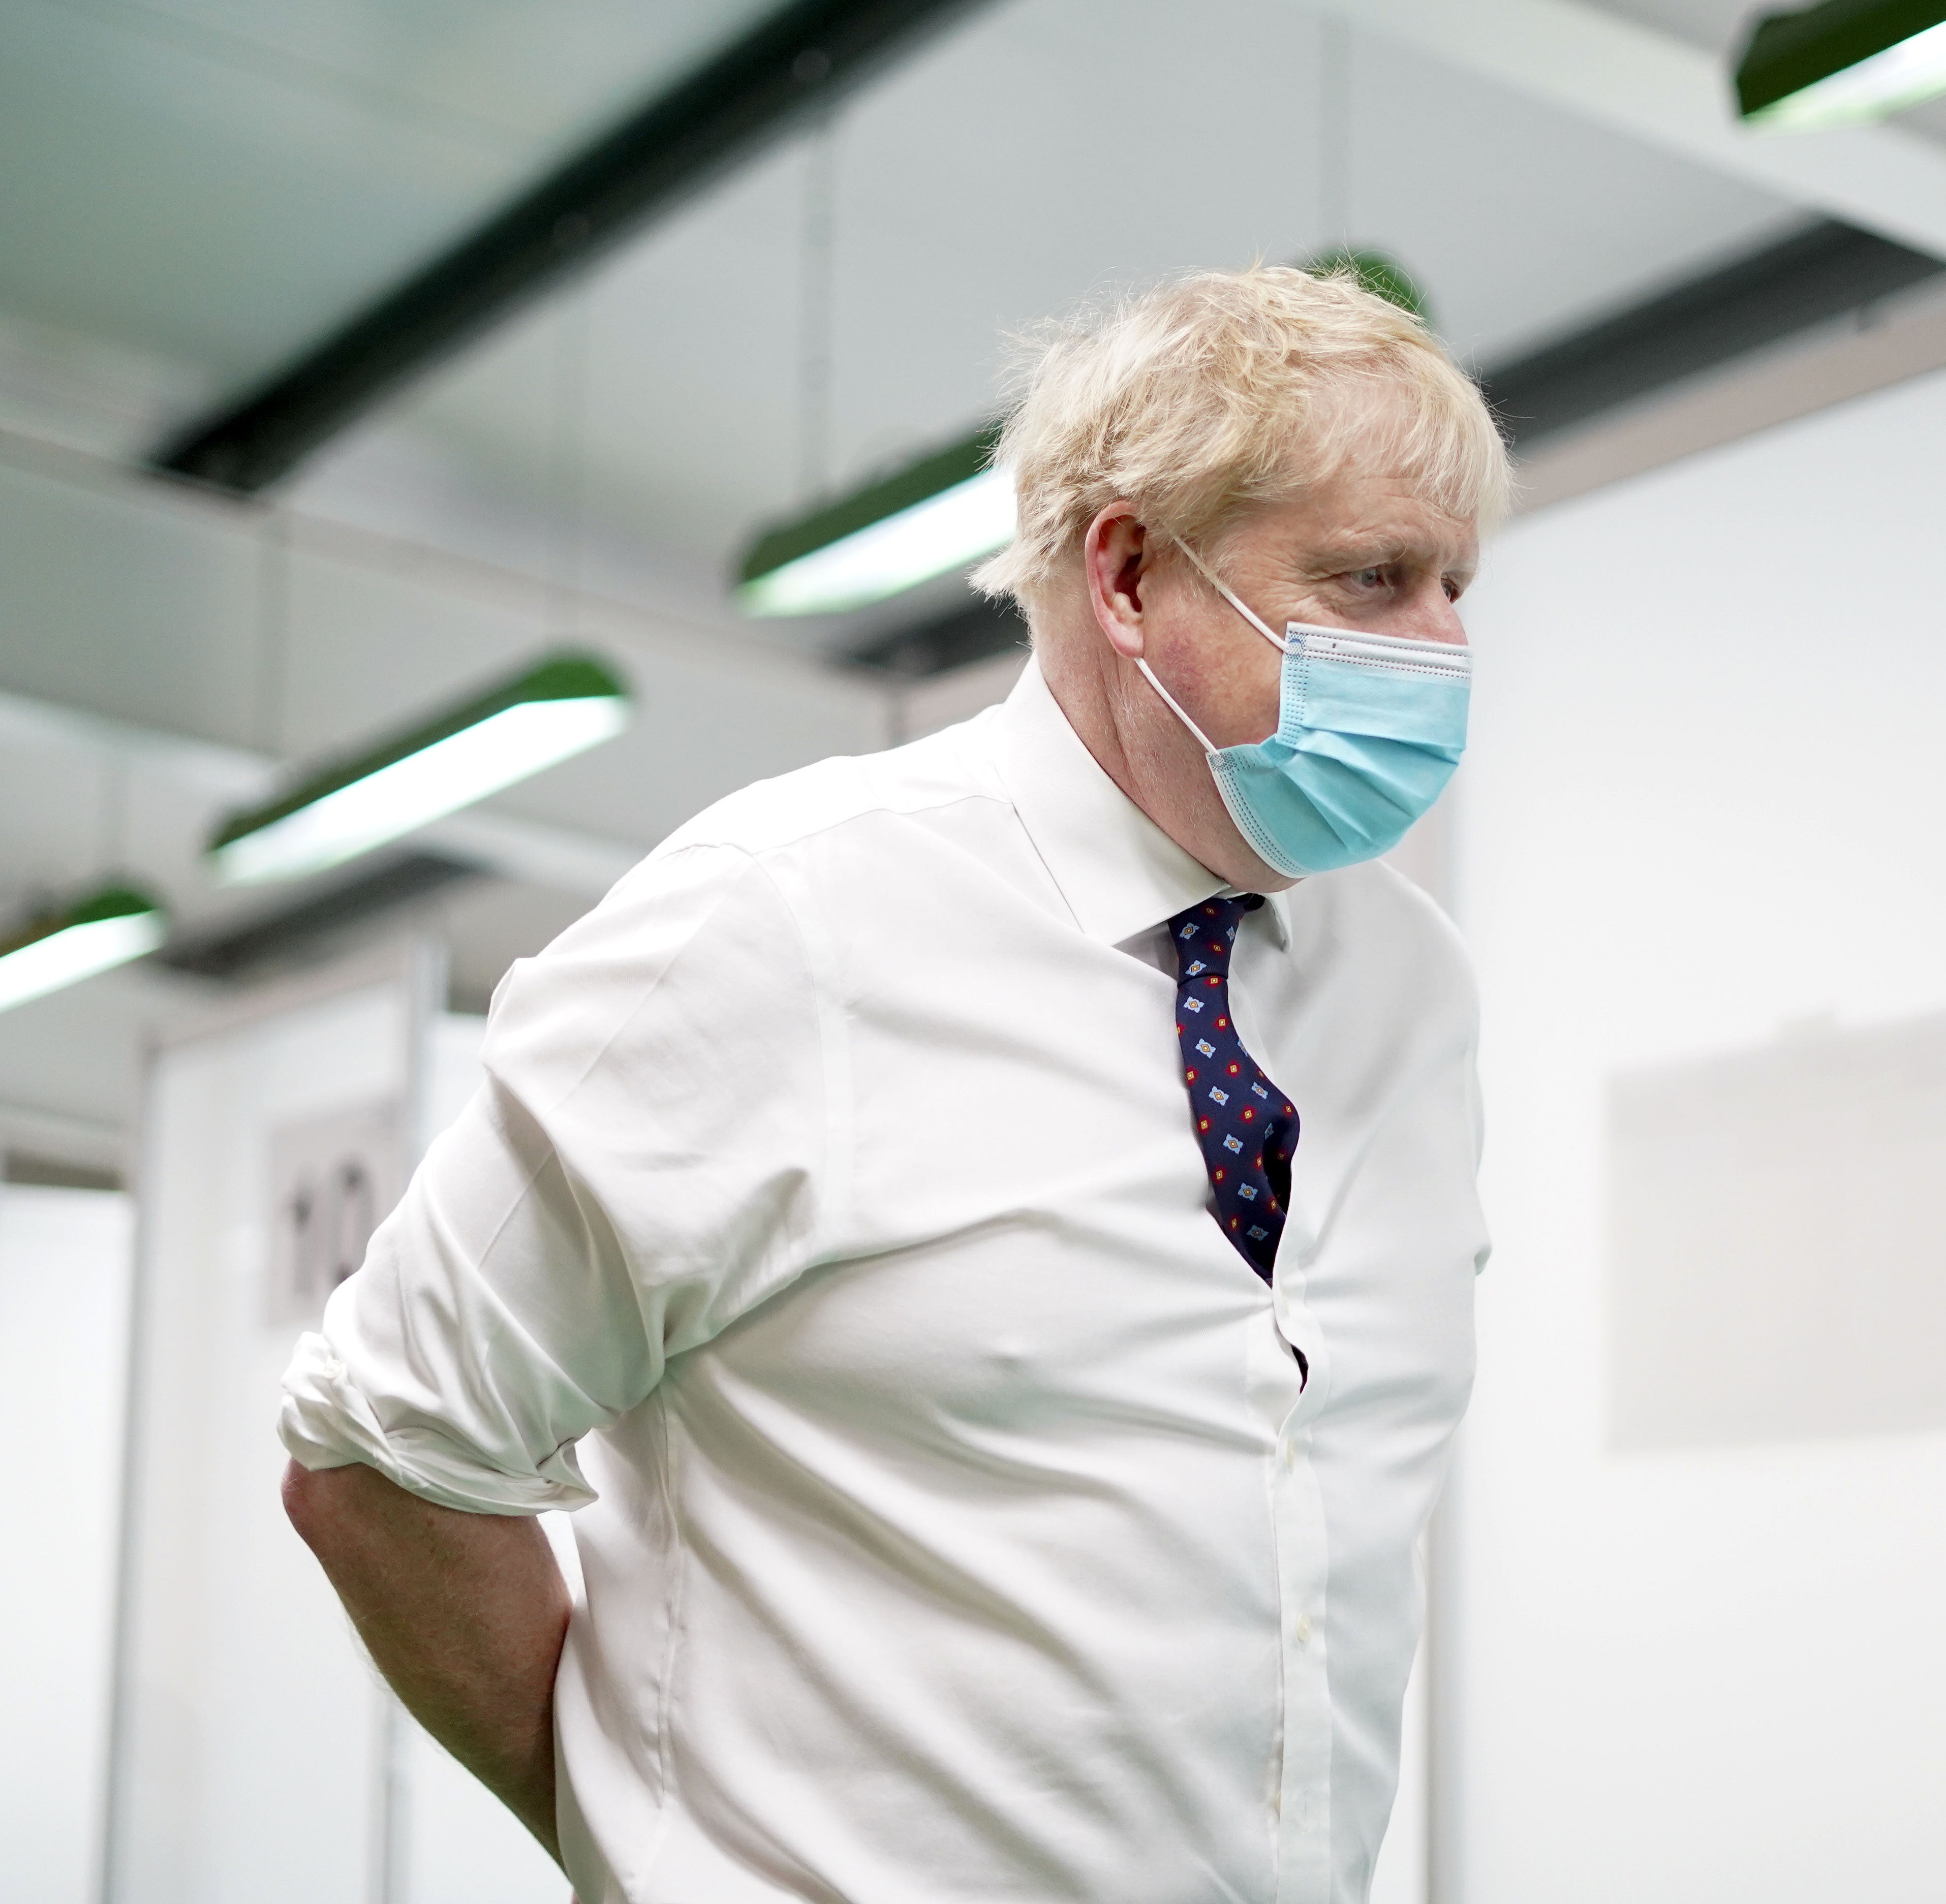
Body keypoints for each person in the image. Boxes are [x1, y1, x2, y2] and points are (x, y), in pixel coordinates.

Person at [277, 262, 1508, 1904]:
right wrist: (638, 1854)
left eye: (1454, 586)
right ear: (1129, 572)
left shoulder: (1410, 988)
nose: (1441, 651)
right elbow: (379, 1452)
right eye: (1370, 580)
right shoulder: (778, 921)